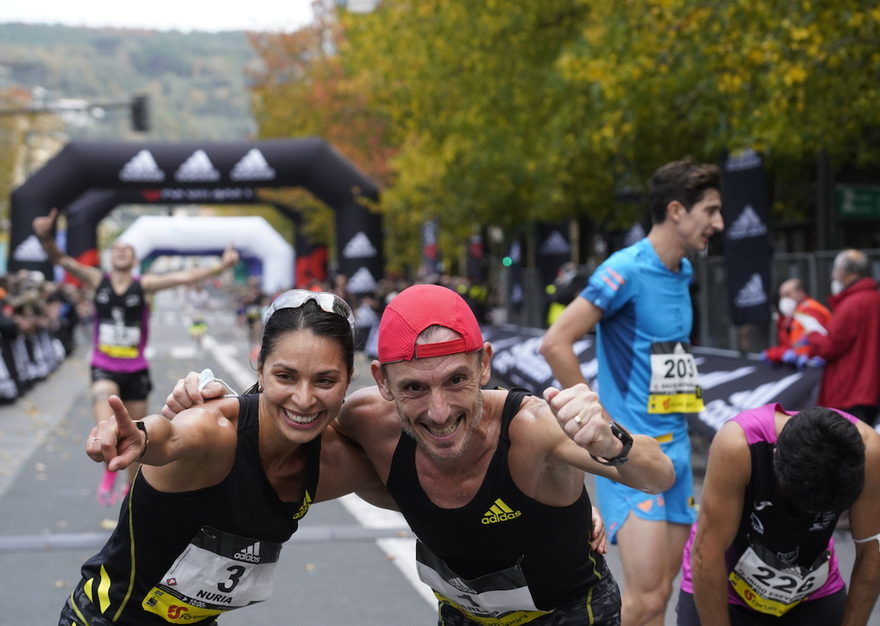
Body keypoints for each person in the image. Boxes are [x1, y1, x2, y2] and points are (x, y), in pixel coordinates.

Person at [175, 283, 675, 625]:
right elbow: (276, 424)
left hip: (565, 614)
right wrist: (212, 404)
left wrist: (613, 441)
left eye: (456, 381)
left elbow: (659, 476)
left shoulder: (532, 429)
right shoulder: (365, 420)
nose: (438, 413)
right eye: (413, 388)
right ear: (381, 383)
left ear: (484, 366)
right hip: (462, 616)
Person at [59, 290, 389, 625]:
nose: (303, 400)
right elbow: (173, 436)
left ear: (349, 378)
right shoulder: (217, 431)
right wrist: (141, 438)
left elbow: (419, 498)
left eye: (325, 381)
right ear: (259, 370)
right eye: (285, 376)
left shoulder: (333, 462)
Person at [539, 158, 724, 626]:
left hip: (678, 450)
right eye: (711, 210)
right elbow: (555, 341)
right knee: (642, 604)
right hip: (631, 452)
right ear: (677, 210)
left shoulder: (682, 271)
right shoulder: (625, 268)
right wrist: (590, 416)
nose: (718, 224)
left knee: (661, 595)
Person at [32, 207, 240, 506]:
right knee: (108, 425)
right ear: (110, 257)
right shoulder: (96, 280)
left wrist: (221, 265)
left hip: (136, 370)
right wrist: (45, 239)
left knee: (133, 436)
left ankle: (131, 487)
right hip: (104, 366)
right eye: (116, 248)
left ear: (134, 260)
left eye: (127, 249)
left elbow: (185, 275)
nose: (120, 251)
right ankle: (109, 473)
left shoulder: (143, 285)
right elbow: (60, 260)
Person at [678, 404, 880, 625]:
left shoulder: (868, 454)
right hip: (724, 583)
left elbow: (873, 550)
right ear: (776, 456)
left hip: (810, 590)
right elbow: (707, 553)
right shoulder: (738, 445)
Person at [804, 249, 880, 425]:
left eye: (836, 271)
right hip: (871, 388)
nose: (834, 276)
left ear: (844, 273)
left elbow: (831, 345)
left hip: (847, 391)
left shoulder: (852, 303)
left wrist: (813, 335)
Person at [761, 278, 831, 367]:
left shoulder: (808, 310)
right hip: (803, 363)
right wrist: (775, 354)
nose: (784, 299)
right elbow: (790, 346)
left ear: (800, 292)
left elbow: (820, 340)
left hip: (813, 365)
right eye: (782, 296)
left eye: (788, 294)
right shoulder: (793, 314)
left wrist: (811, 355)